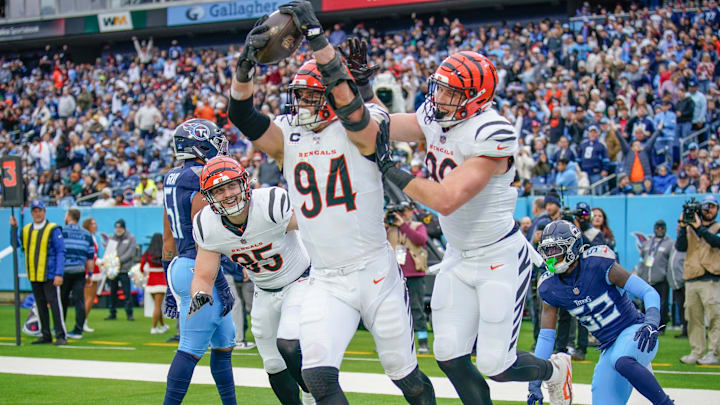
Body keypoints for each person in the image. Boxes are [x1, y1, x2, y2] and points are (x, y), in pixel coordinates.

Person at [229, 9, 436, 403]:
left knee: (405, 378)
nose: (302, 102)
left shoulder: (365, 122)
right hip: (326, 280)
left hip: (375, 272)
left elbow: (356, 115)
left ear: (331, 94)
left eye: (311, 95)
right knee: (319, 378)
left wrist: (317, 39)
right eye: (299, 95)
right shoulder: (288, 134)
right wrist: (245, 66)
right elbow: (241, 114)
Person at [377, 50, 572, 404]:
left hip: (498, 255)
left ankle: (555, 370)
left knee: (496, 363)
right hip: (457, 254)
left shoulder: (491, 131)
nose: (440, 98)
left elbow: (447, 199)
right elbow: (384, 124)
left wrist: (391, 169)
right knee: (449, 354)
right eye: (440, 89)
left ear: (476, 98)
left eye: (452, 93)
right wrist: (357, 92)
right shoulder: (436, 116)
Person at [190, 156, 314, 405]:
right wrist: (199, 295)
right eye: (219, 190)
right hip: (264, 290)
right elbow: (203, 274)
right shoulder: (207, 225)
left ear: (244, 184)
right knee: (272, 362)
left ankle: (313, 395)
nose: (228, 194)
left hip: (299, 280)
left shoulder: (270, 204)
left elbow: (315, 224)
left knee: (290, 344)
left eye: (232, 186)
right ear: (209, 195)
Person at [530, 220, 674, 405]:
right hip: (609, 346)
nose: (550, 256)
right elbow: (546, 337)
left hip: (636, 331)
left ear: (573, 247)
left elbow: (648, 292)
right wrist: (535, 380)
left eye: (556, 249)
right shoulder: (549, 286)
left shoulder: (598, 264)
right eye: (547, 250)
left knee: (622, 359)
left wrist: (651, 322)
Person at [161, 118, 238, 405]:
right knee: (190, 347)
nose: (220, 147)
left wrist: (170, 288)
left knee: (224, 343)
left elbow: (168, 239)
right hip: (200, 269)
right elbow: (205, 241)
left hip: (181, 266)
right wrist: (221, 284)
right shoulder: (199, 177)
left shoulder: (172, 177)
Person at [10, 199, 67, 345]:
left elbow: (61, 251)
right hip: (34, 274)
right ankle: (46, 334)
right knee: (40, 305)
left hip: (49, 274)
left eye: (39, 210)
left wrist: (59, 273)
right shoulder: (26, 230)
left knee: (54, 305)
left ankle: (60, 335)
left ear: (44, 212)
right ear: (31, 213)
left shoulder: (53, 229)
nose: (37, 214)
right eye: (35, 211)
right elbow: (15, 244)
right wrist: (14, 228)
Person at [675, 195, 720, 365]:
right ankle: (697, 351)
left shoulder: (717, 227)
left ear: (717, 209)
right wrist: (682, 226)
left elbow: (716, 242)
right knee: (694, 317)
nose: (708, 209)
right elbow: (680, 247)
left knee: (715, 317)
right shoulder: (689, 228)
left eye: (712, 206)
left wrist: (699, 228)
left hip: (712, 279)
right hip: (692, 277)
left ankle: (714, 352)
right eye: (705, 206)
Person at [386, 201, 430, 354]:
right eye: (401, 212)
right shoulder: (389, 228)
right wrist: (386, 220)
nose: (404, 215)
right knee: (395, 309)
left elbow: (421, 240)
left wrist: (403, 225)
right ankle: (398, 343)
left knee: (416, 308)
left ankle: (423, 342)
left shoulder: (417, 226)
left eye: (406, 211)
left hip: (414, 274)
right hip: (395, 274)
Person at [60, 208, 95, 340]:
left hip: (64, 270)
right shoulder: (86, 234)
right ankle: (78, 330)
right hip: (80, 271)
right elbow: (90, 257)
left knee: (62, 300)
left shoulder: (61, 231)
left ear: (69, 217)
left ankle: (60, 327)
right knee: (79, 301)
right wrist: (90, 274)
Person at [637, 220, 674, 330]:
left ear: (665, 229)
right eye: (657, 228)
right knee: (646, 304)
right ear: (654, 229)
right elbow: (642, 260)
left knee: (661, 305)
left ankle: (661, 327)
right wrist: (640, 275)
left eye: (662, 228)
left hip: (661, 280)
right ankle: (645, 326)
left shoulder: (670, 243)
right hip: (647, 279)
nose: (659, 230)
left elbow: (671, 262)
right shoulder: (647, 243)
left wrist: (668, 277)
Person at [105, 219, 137, 321]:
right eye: (117, 228)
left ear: (124, 228)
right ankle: (112, 313)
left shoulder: (131, 238)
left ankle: (129, 313)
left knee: (127, 292)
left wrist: (118, 261)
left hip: (124, 269)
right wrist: (112, 262)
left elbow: (130, 253)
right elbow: (109, 251)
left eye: (120, 227)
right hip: (113, 270)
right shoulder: (112, 238)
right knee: (112, 292)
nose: (118, 230)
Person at [141, 233, 169, 335]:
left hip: (151, 282)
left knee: (157, 306)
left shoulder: (147, 253)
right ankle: (153, 328)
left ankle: (163, 326)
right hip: (161, 282)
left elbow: (141, 268)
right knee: (158, 306)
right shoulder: (165, 251)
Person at [82, 217, 101, 333]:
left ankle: (83, 321)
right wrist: (97, 261)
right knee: (89, 297)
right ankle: (82, 321)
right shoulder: (88, 236)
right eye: (92, 224)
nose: (95, 225)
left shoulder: (93, 237)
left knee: (91, 297)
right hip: (90, 270)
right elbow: (89, 254)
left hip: (95, 268)